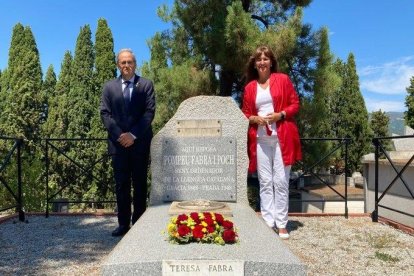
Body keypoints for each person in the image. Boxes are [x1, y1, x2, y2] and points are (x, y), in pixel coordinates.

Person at [242, 46, 301, 239]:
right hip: (260, 140)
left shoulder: (282, 79)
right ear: (254, 64)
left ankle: (282, 224)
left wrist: (280, 115)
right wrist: (253, 119)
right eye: (258, 59)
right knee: (265, 182)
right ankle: (268, 222)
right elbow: (244, 114)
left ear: (271, 62)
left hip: (282, 137)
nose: (262, 62)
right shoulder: (250, 87)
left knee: (281, 181)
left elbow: (295, 104)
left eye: (265, 59)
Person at [100, 48, 155, 236]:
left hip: (139, 144)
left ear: (135, 64)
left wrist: (133, 135)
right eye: (123, 62)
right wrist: (121, 136)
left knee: (140, 184)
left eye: (129, 62)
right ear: (118, 65)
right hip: (118, 146)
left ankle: (139, 223)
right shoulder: (109, 88)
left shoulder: (146, 85)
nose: (126, 65)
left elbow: (149, 113)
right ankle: (123, 224)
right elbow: (105, 114)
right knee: (121, 185)